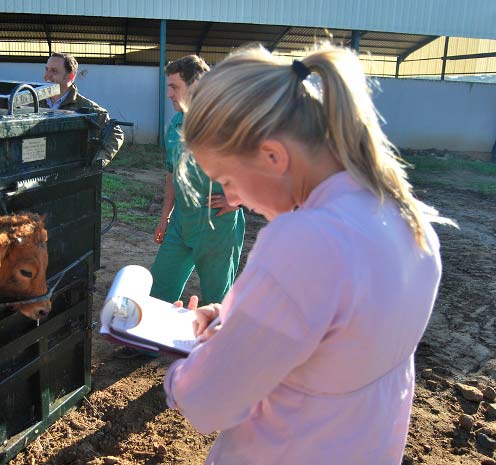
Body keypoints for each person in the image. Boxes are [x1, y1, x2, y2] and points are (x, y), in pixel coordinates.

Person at [163, 44, 456, 465]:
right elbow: (337, 339)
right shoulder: (408, 218)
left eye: (227, 179)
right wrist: (233, 319)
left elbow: (210, 403)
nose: (233, 198)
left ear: (272, 155)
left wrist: (186, 363)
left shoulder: (306, 240)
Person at [150, 55, 245, 306]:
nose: (169, 94)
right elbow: (172, 174)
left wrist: (238, 200)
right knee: (159, 288)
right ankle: (148, 346)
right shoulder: (176, 124)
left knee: (216, 298)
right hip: (181, 221)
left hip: (216, 224)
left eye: (174, 87)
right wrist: (165, 217)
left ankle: (218, 344)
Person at [42, 52, 124, 167]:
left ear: (70, 76)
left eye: (54, 71)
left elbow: (114, 132)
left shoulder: (87, 108)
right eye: (46, 69)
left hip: (68, 172)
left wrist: (99, 161)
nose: (47, 75)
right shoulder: (32, 104)